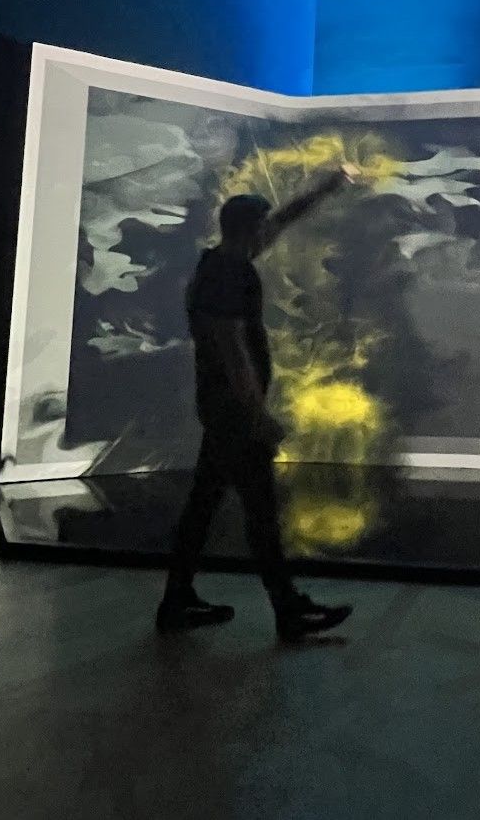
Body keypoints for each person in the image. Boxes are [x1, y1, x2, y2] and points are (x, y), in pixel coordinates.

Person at [157, 163, 361, 642]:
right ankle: (288, 611)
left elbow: (283, 218)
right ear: (249, 230)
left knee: (204, 505)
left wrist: (327, 186)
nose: (269, 233)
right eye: (261, 226)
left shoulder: (222, 262)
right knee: (261, 512)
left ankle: (177, 600)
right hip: (233, 414)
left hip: (222, 410)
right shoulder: (227, 275)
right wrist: (257, 415)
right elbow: (232, 351)